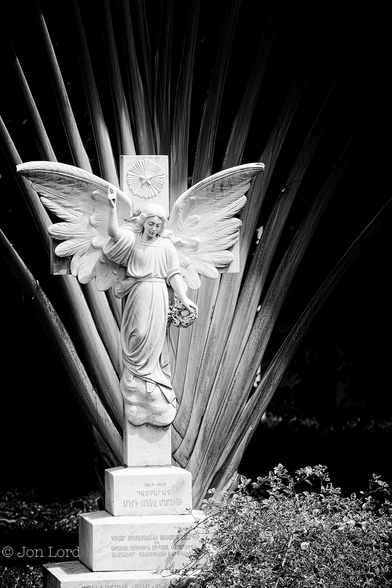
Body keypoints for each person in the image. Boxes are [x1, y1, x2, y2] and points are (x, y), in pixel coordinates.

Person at [103, 187, 198, 427]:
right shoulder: (132, 241)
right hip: (137, 293)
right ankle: (136, 377)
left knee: (155, 340)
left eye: (158, 225)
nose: (154, 228)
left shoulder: (166, 246)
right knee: (139, 334)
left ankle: (152, 383)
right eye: (151, 224)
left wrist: (184, 298)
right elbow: (113, 233)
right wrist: (112, 207)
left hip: (158, 294)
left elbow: (174, 274)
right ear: (143, 222)